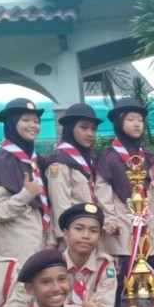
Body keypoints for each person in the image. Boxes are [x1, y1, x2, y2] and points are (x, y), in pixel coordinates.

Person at [3, 203, 118, 307]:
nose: (86, 235)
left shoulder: (104, 265)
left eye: (93, 231)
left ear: (100, 238)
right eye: (79, 228)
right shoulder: (46, 264)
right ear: (65, 234)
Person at [94, 98, 154, 301]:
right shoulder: (108, 158)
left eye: (140, 119)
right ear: (119, 122)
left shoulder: (148, 157)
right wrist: (110, 221)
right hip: (122, 231)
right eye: (130, 119)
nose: (137, 123)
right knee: (124, 286)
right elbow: (103, 195)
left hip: (150, 232)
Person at [0, 98, 56, 265]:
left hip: (42, 242)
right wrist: (26, 195)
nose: (33, 125)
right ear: (12, 123)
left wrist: (51, 238)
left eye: (36, 121)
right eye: (25, 120)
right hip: (17, 248)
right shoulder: (2, 161)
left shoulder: (36, 161)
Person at [47, 103, 104, 248]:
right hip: (73, 240)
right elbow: (60, 205)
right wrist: (65, 238)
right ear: (70, 128)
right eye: (84, 127)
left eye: (93, 129)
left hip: (91, 235)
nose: (90, 133)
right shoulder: (59, 161)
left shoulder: (89, 159)